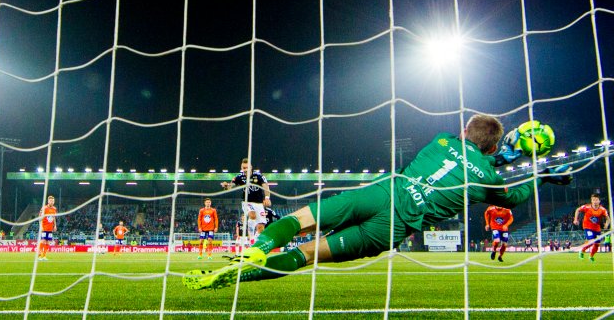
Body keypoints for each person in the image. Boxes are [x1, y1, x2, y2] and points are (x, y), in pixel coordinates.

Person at [184, 114, 573, 290]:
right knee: (308, 254)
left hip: (383, 192)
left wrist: (499, 151)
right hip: (394, 225)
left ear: (462, 131)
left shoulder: (441, 140)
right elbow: (511, 196)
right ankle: (240, 278)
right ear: (491, 146)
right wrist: (534, 172)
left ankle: (259, 247)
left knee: (304, 217)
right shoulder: (487, 178)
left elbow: (468, 151)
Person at [221, 158, 272, 235]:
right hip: (247, 202)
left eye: (246, 168)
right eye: (243, 168)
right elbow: (230, 186)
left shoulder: (259, 176)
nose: (244, 170)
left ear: (250, 167)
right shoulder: (239, 177)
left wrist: (267, 198)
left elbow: (266, 186)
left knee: (261, 227)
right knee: (252, 215)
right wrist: (226, 186)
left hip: (259, 204)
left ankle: (256, 240)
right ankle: (250, 237)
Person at [574, 194, 610, 262]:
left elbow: (608, 218)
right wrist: (575, 219)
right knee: (591, 241)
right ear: (591, 201)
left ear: (599, 201)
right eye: (593, 200)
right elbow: (578, 209)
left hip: (597, 228)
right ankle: (582, 251)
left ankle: (591, 257)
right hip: (587, 227)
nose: (595, 201)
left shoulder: (602, 209)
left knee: (597, 244)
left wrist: (607, 224)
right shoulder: (587, 207)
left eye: (596, 200)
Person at [37, 195, 57, 260]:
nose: (52, 202)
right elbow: (40, 217)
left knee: (48, 242)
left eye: (53, 201)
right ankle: (39, 255)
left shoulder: (54, 209)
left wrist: (55, 225)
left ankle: (44, 256)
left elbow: (54, 217)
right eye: (51, 201)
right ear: (48, 201)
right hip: (44, 227)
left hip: (50, 228)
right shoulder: (44, 208)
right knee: (43, 240)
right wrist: (41, 226)